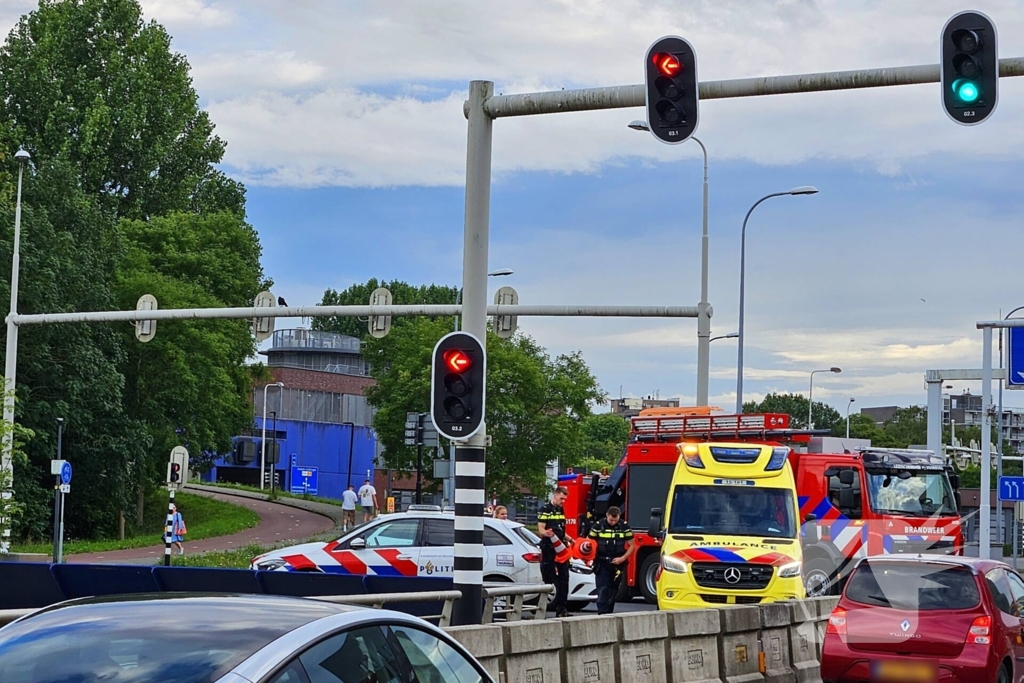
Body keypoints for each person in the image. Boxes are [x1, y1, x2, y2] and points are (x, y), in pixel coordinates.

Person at [588, 506, 635, 615]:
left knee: (613, 589)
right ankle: (602, 612)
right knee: (602, 588)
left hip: (618, 563)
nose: (613, 522)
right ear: (607, 515)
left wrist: (623, 558)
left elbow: (632, 545)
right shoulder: (599, 526)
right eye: (611, 520)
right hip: (602, 562)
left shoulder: (624, 527)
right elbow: (589, 542)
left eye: (615, 520)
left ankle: (609, 612)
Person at [537, 486, 572, 617]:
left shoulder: (560, 509)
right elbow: (540, 528)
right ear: (555, 495)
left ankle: (562, 609)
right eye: (561, 498)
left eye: (565, 499)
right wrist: (546, 533)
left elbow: (561, 530)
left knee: (565, 577)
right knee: (549, 577)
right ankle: (544, 609)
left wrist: (570, 539)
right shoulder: (545, 509)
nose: (563, 501)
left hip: (561, 547)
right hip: (549, 547)